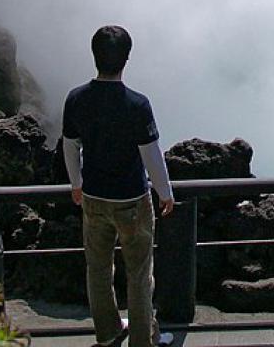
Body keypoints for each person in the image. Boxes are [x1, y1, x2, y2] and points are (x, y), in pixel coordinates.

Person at [62, 26, 175, 347]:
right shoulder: (137, 104)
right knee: (139, 274)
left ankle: (109, 332)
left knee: (97, 270)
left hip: (93, 198)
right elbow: (151, 155)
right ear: (126, 58)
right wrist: (165, 193)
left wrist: (76, 184)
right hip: (132, 200)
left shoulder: (76, 99)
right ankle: (143, 340)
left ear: (94, 55)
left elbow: (70, 146)